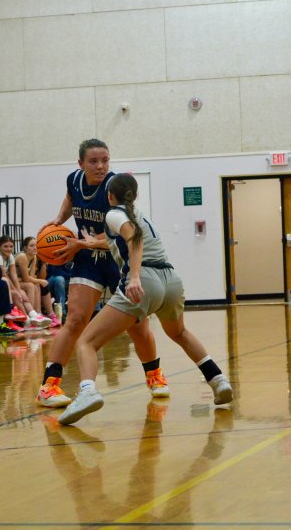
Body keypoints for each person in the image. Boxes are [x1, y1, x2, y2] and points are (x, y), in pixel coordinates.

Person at [58, 174, 233, 425]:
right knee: (179, 333)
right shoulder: (139, 214)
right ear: (135, 195)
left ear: (109, 196)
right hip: (170, 280)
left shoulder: (113, 214)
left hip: (146, 280)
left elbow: (134, 239)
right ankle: (217, 379)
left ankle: (87, 392)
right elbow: (119, 240)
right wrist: (86, 245)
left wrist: (135, 277)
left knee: (86, 341)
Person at [36, 139, 165, 408]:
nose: (101, 166)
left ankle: (155, 376)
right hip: (88, 259)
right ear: (80, 164)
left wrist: (82, 243)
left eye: (105, 160)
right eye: (94, 161)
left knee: (138, 325)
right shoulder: (74, 180)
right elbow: (71, 199)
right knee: (75, 319)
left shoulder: (114, 188)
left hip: (116, 259)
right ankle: (49, 386)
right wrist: (59, 221)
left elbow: (123, 238)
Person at [0, 235, 53, 329]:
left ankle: (36, 314)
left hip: (11, 283)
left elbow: (17, 275)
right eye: (5, 246)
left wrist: (18, 290)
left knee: (31, 287)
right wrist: (17, 290)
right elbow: (6, 276)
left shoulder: (11, 257)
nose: (9, 249)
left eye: (11, 246)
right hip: (1, 284)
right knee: (26, 288)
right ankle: (29, 319)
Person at [14, 237, 54, 327]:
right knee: (30, 286)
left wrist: (38, 281)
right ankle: (31, 315)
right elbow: (27, 279)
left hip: (19, 280)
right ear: (25, 248)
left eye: (36, 246)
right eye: (31, 246)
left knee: (35, 284)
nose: (35, 248)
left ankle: (38, 313)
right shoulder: (22, 256)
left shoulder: (34, 257)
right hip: (12, 282)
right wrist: (41, 280)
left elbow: (30, 277)